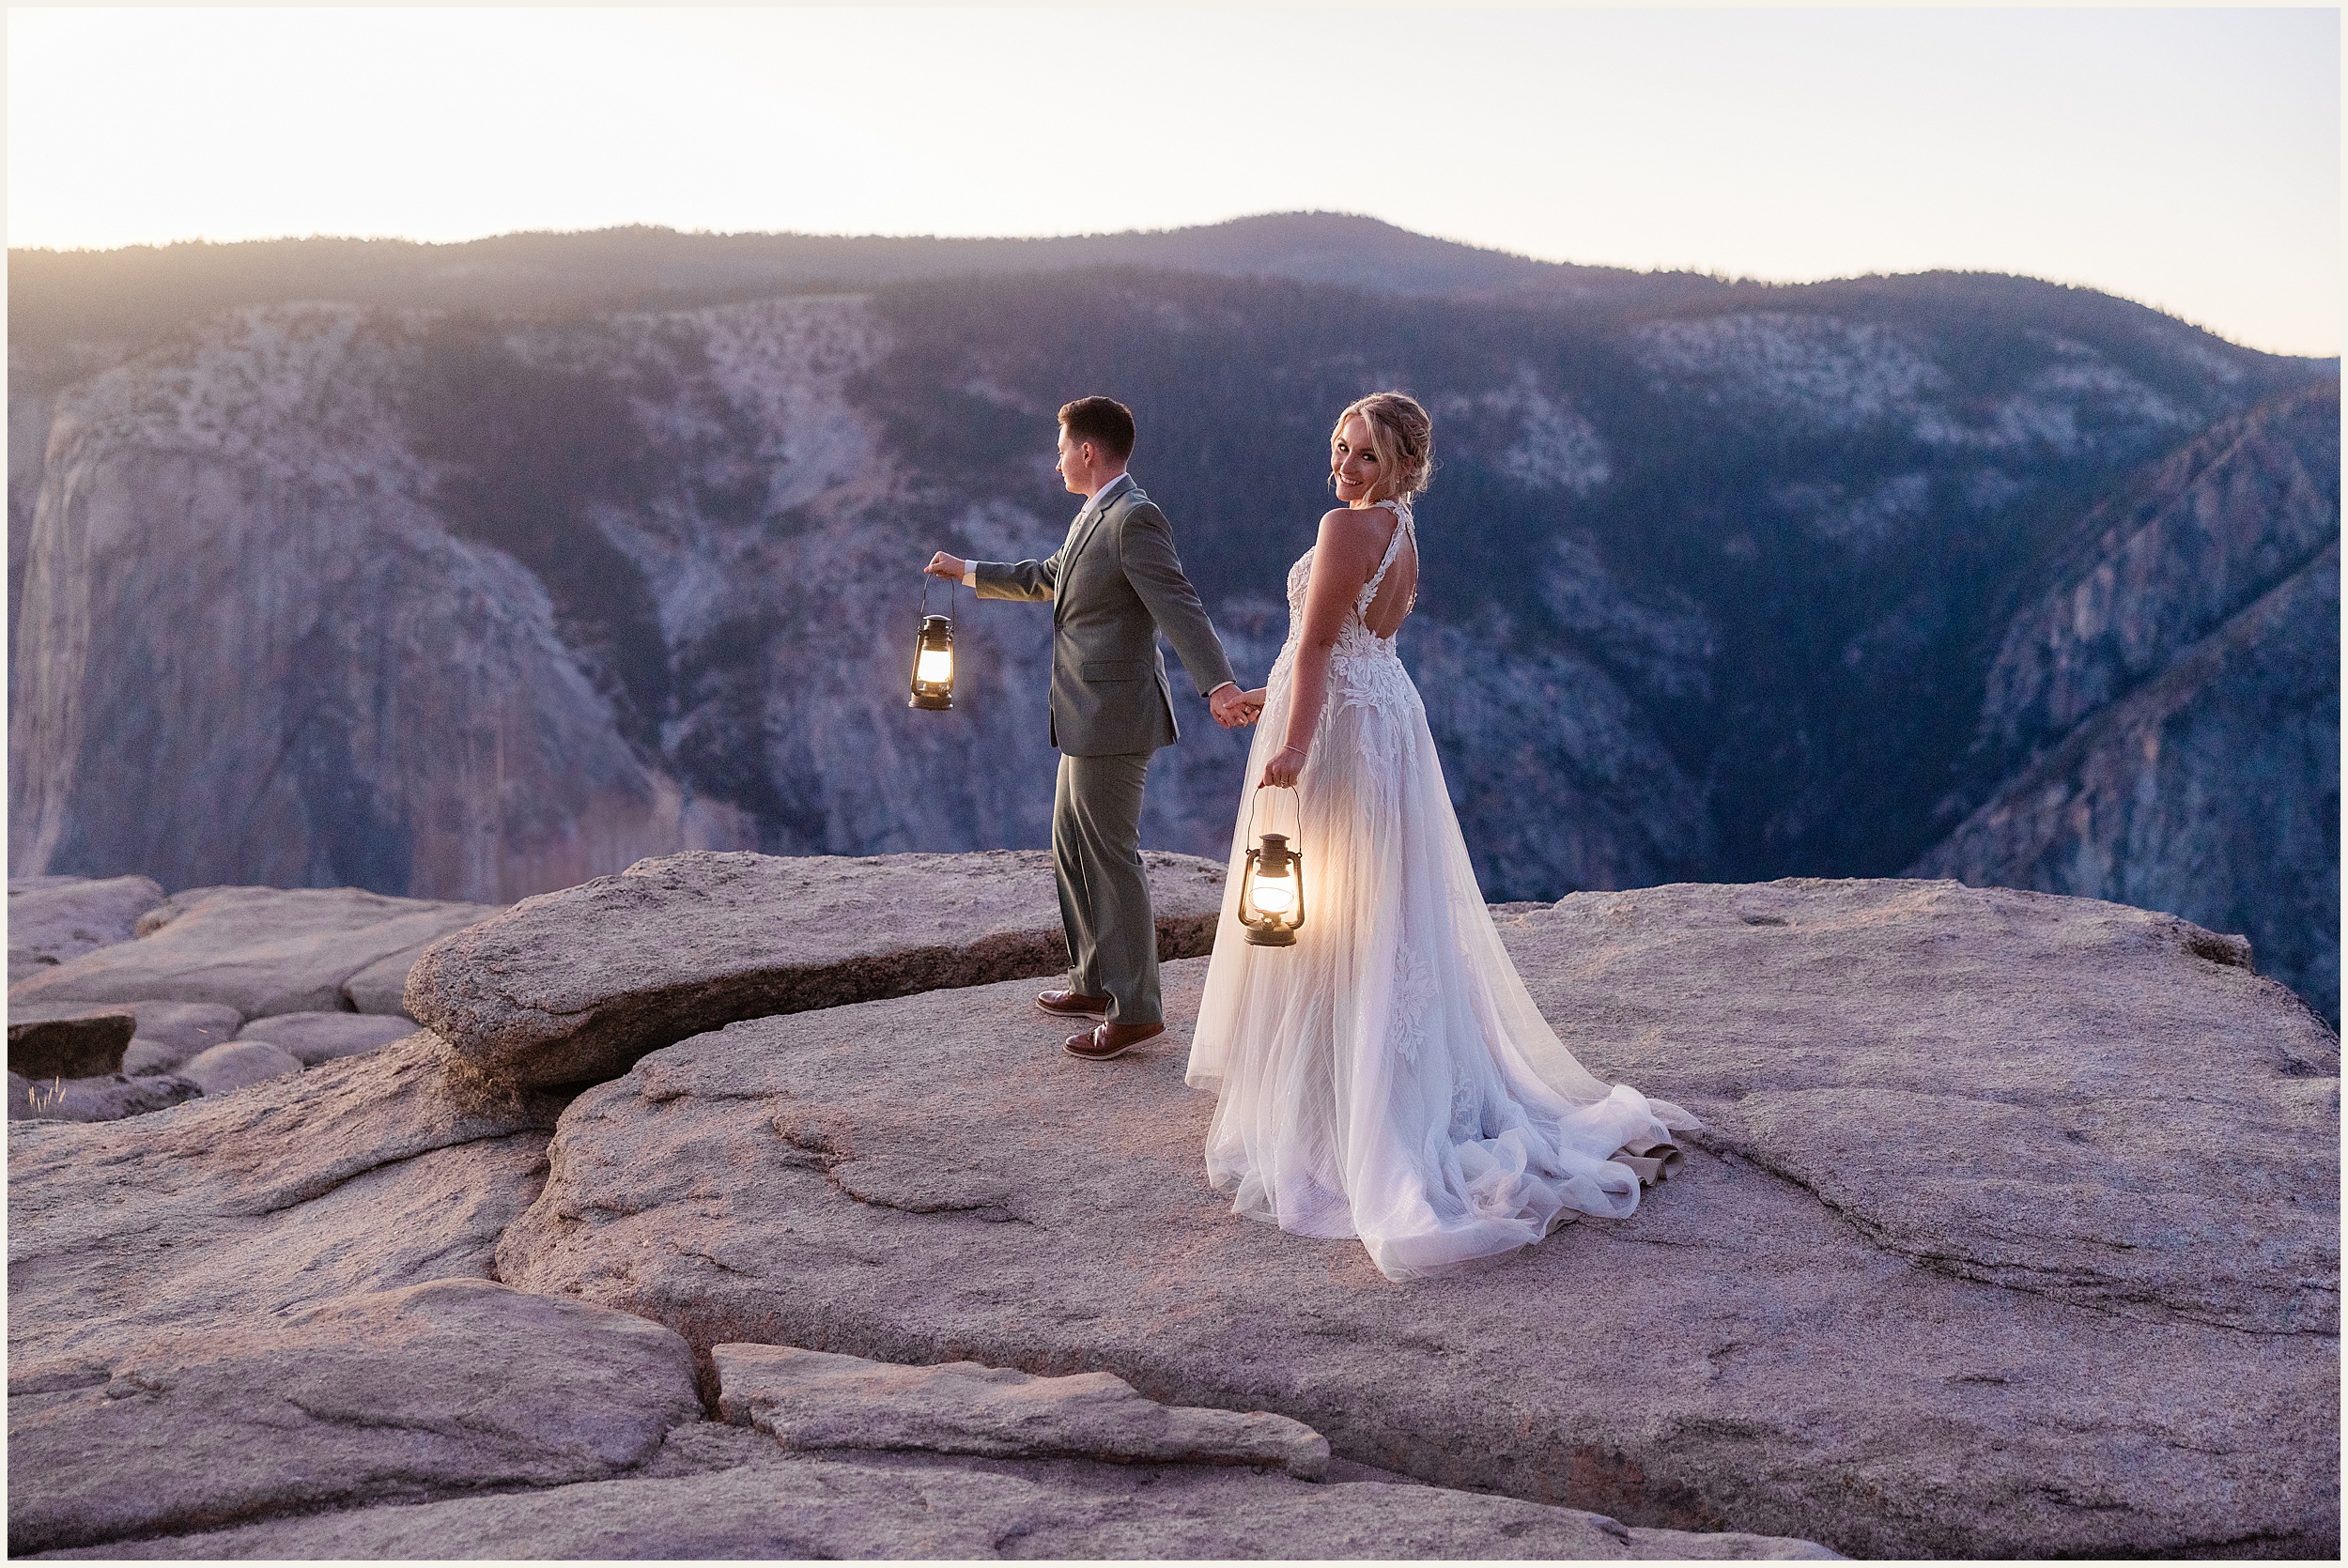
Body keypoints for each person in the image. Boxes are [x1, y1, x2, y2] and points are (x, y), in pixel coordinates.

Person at [1185, 392, 1699, 1281]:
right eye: (1341, 448)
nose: (1346, 467)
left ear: (1404, 467)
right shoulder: (1400, 534)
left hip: (1339, 733)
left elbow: (1317, 651)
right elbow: (1355, 649)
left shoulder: (1343, 530)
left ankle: (1334, 1108)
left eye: (1367, 457)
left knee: (1325, 915)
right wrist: (1270, 702)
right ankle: (1382, 1086)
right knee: (1381, 908)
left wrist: (1296, 744)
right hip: (1380, 720)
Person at [927, 396, 1257, 1061]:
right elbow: (1050, 577)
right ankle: (1092, 977)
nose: (1054, 462)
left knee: (1109, 854)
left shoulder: (1135, 517)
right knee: (1071, 844)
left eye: (1060, 450)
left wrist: (1217, 684)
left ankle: (1135, 1008)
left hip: (1116, 715)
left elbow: (1178, 602)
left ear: (1087, 452)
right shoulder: (1094, 513)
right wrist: (967, 572)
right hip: (1083, 712)